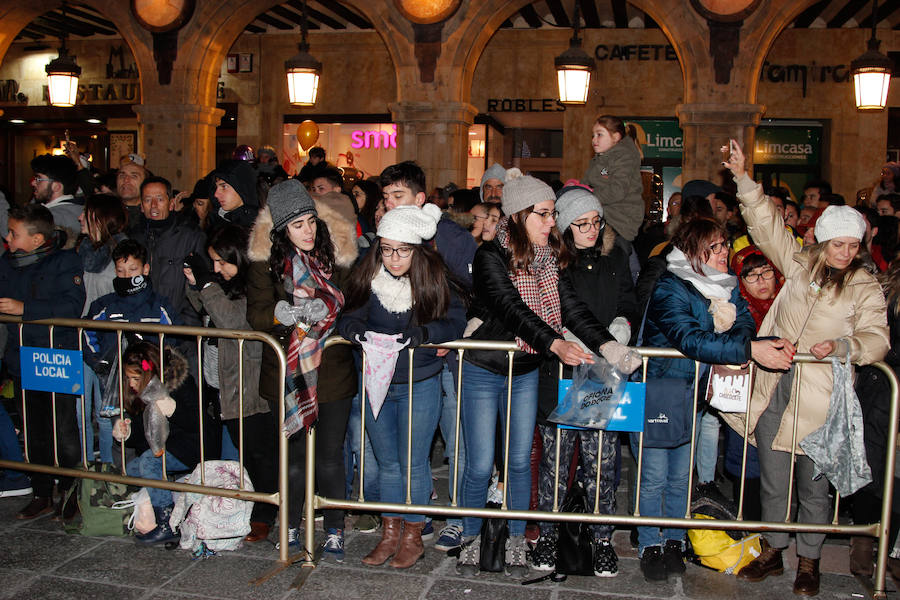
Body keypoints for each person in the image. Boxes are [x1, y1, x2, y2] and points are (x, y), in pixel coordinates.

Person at [722, 139, 889, 597]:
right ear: (821, 239)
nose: (845, 252)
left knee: (814, 490)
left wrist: (844, 345)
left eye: (854, 245)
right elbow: (764, 223)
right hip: (776, 387)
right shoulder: (798, 264)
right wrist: (741, 177)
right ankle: (775, 551)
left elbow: (878, 339)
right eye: (839, 243)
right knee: (774, 479)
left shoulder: (864, 285)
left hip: (823, 398)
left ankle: (810, 562)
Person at [455, 173, 640, 578]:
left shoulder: (548, 257)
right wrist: (555, 344)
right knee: (482, 461)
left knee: (521, 461)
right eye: (543, 214)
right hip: (485, 370)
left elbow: (571, 308)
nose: (550, 223)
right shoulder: (491, 256)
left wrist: (609, 346)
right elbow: (512, 309)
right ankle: (470, 535)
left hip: (523, 369)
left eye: (552, 214)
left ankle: (520, 538)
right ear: (519, 216)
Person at [636, 217, 793, 583]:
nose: (725, 253)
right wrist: (746, 348)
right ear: (694, 251)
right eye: (716, 246)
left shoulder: (725, 286)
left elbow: (744, 324)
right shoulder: (670, 287)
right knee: (654, 475)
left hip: (694, 393)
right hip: (661, 389)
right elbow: (688, 338)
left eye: (725, 244)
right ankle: (648, 542)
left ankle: (674, 539)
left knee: (680, 477)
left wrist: (744, 341)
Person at [338, 203, 466, 569]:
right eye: (387, 248)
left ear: (417, 249)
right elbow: (348, 315)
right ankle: (389, 532)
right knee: (388, 463)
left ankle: (413, 534)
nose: (393, 258)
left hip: (419, 380)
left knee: (413, 462)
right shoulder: (369, 272)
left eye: (402, 250)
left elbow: (455, 321)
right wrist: (357, 332)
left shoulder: (435, 277)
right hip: (376, 381)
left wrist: (424, 334)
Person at [531, 183, 638, 577]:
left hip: (602, 376)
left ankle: (602, 540)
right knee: (555, 464)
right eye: (581, 223)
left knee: (602, 463)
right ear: (564, 225)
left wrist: (623, 326)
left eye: (596, 222)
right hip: (561, 371)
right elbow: (546, 306)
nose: (591, 230)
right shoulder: (551, 261)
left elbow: (630, 296)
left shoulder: (616, 255)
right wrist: (569, 336)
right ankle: (547, 535)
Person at [246, 178, 356, 559]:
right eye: (297, 224)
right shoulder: (266, 264)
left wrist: (330, 311)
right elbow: (255, 313)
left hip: (333, 373)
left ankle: (335, 528)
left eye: (310, 220)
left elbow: (355, 307)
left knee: (329, 456)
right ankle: (290, 524)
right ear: (281, 229)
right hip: (288, 375)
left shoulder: (338, 255)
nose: (308, 230)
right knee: (292, 458)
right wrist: (280, 315)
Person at [183, 225, 275, 544]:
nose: (219, 269)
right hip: (222, 382)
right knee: (243, 451)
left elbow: (233, 323)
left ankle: (266, 514)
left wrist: (207, 284)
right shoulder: (223, 285)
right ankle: (254, 507)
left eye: (224, 262)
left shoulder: (255, 286)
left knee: (259, 454)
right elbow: (205, 311)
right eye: (214, 263)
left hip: (250, 384)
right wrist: (197, 284)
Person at [0, 205, 85, 519]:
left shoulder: (65, 261)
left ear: (36, 239)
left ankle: (70, 489)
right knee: (33, 429)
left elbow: (71, 304)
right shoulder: (7, 265)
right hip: (22, 357)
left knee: (62, 429)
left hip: (55, 355)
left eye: (13, 233)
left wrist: (25, 308)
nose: (7, 238)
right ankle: (41, 491)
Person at [114, 342, 203, 545]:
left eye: (135, 379)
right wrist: (125, 432)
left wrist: (174, 410)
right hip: (159, 448)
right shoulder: (137, 393)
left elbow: (199, 424)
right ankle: (168, 497)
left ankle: (166, 522)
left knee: (148, 464)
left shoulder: (180, 383)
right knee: (132, 470)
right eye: (128, 379)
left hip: (188, 446)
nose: (131, 384)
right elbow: (140, 435)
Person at [725, 246, 785, 521]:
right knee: (745, 460)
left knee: (777, 465)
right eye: (751, 276)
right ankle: (746, 521)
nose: (761, 281)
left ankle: (772, 527)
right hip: (745, 398)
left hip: (780, 398)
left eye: (766, 272)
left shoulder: (788, 308)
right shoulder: (735, 309)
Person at [130, 176, 206, 325]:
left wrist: (184, 328)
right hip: (142, 325)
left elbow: (200, 287)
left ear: (171, 204)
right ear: (141, 205)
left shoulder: (191, 236)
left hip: (179, 329)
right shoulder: (134, 238)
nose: (153, 206)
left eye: (159, 199)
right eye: (147, 200)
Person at [582, 115, 644, 246]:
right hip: (603, 218)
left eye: (599, 134)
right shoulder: (598, 160)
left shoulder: (624, 157)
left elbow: (617, 190)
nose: (594, 140)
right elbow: (585, 184)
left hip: (619, 221)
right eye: (593, 135)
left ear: (615, 137)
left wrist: (588, 196)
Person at [30, 154, 82, 245]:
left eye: (39, 179)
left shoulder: (55, 218)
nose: (33, 183)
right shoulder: (76, 208)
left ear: (56, 187)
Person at [210, 159, 260, 231]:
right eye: (216, 187)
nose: (216, 194)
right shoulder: (215, 223)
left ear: (242, 188)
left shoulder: (262, 227)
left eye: (224, 186)